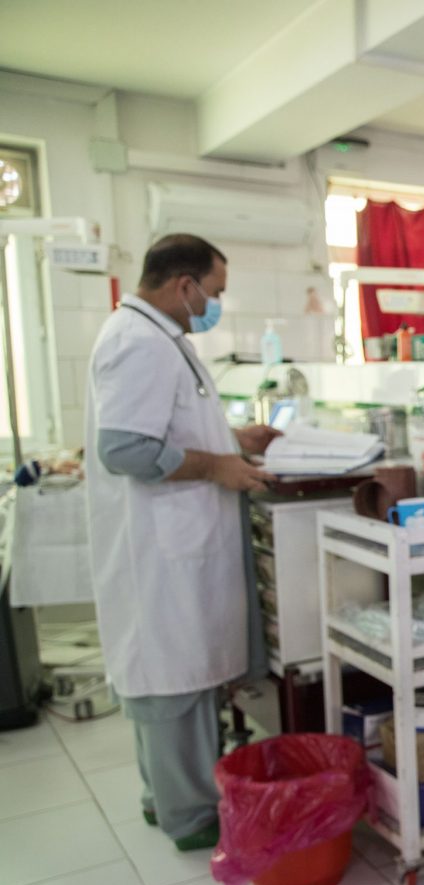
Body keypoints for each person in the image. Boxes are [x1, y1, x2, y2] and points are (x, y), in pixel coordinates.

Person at [85, 234, 279, 851]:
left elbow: (165, 424)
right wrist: (217, 467)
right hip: (160, 550)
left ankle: (164, 800)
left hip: (176, 543)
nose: (213, 305)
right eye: (213, 293)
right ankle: (190, 817)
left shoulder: (156, 338)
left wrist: (232, 440)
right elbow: (126, 449)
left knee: (177, 678)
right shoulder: (137, 342)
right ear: (184, 284)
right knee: (173, 681)